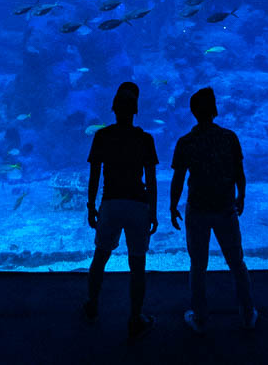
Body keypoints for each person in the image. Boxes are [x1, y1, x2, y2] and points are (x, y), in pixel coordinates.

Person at [169, 87, 257, 333]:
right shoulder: (229, 137)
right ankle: (247, 314)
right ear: (214, 110)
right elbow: (239, 172)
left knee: (198, 264)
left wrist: (172, 204)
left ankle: (200, 316)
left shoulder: (186, 142)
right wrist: (241, 195)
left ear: (193, 113)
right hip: (225, 208)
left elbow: (178, 179)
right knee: (237, 262)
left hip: (197, 210)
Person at [84, 82, 159, 339]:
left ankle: (92, 305)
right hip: (138, 204)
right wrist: (153, 211)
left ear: (113, 109)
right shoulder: (145, 139)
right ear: (136, 110)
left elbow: (95, 174)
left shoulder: (102, 136)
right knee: (137, 265)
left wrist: (91, 205)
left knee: (100, 257)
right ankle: (135, 318)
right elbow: (151, 179)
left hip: (111, 203)